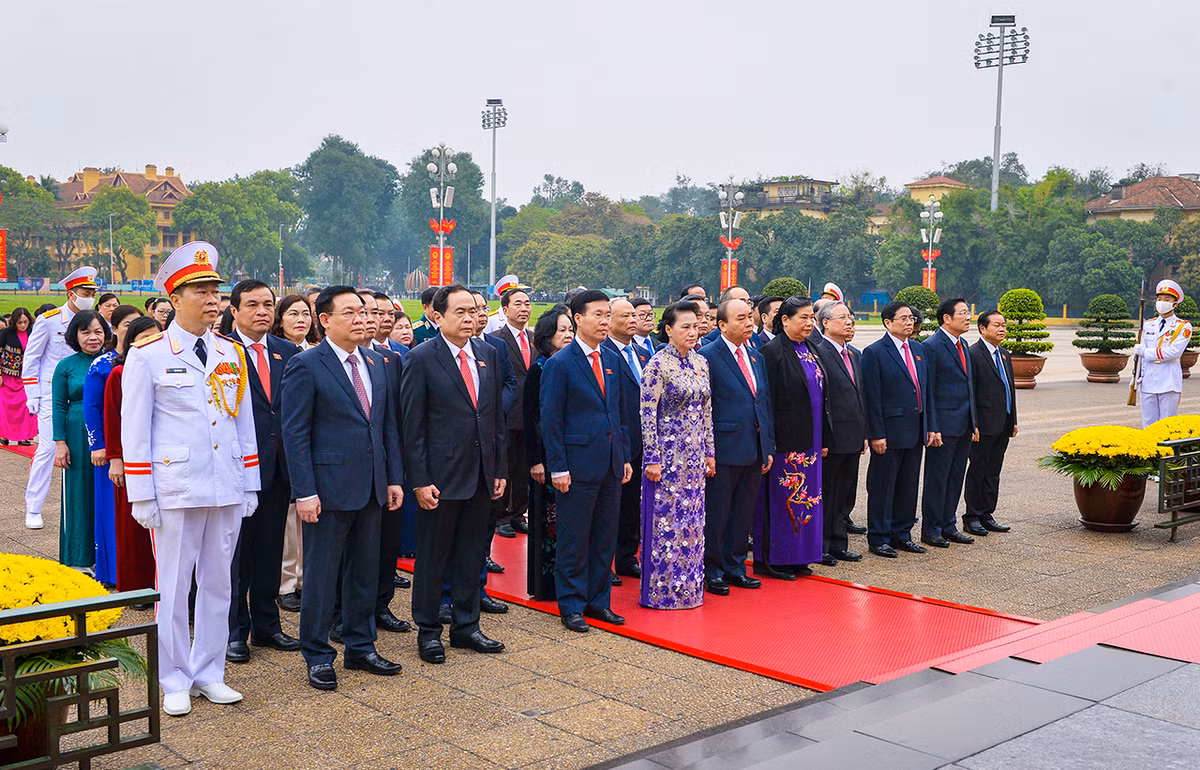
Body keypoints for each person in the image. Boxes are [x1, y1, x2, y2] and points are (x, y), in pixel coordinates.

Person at [122, 241, 261, 716]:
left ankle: (209, 671)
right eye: (200, 291)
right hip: (176, 487)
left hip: (225, 483)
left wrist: (250, 482)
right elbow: (135, 429)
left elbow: (243, 422)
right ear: (174, 298)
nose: (212, 300)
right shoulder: (149, 354)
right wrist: (142, 494)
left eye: (215, 291)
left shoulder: (229, 352)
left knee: (220, 583)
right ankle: (175, 676)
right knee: (175, 586)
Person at [282, 286, 405, 690]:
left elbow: (386, 426)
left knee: (365, 572)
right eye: (350, 312)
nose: (361, 319)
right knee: (322, 576)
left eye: (364, 312)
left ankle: (360, 645)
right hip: (328, 489)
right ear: (325, 319)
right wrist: (305, 491)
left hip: (371, 486)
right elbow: (295, 433)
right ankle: (317, 653)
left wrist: (393, 478)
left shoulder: (375, 362)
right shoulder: (307, 365)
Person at [401, 284, 507, 663]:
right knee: (433, 558)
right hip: (440, 478)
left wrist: (499, 469)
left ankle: (466, 626)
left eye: (474, 311)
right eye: (459, 312)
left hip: (480, 475)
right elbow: (412, 426)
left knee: (471, 554)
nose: (469, 318)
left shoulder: (488, 354)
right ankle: (429, 631)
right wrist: (419, 479)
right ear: (437, 316)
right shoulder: (421, 358)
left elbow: (494, 417)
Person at [541, 289, 632, 632]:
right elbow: (551, 420)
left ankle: (598, 601)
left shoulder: (611, 358)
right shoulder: (560, 363)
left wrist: (623, 455)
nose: (605, 321)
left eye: (608, 314)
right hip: (576, 466)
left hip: (610, 462)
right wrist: (558, 467)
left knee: (604, 537)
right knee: (574, 538)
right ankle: (572, 605)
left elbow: (619, 413)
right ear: (578, 318)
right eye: (598, 314)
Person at [224, 281, 303, 665]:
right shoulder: (221, 351)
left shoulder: (287, 352)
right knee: (238, 557)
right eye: (252, 304)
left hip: (279, 469)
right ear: (234, 311)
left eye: (268, 305)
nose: (262, 311)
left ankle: (268, 625)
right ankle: (235, 631)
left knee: (271, 551)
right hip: (238, 470)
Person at [639, 300, 714, 609]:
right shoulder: (657, 364)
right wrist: (652, 458)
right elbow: (647, 413)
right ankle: (663, 592)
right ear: (668, 329)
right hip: (668, 457)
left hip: (695, 459)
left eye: (695, 326)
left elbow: (707, 411)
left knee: (693, 522)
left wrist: (710, 451)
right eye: (685, 327)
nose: (692, 332)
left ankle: (691, 590)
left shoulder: (701, 362)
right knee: (667, 524)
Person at [698, 298, 774, 595]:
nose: (748, 323)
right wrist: (708, 451)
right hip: (724, 446)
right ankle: (713, 569)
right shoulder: (707, 356)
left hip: (753, 446)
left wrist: (767, 445)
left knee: (743, 512)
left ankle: (736, 566)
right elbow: (705, 407)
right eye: (740, 318)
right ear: (722, 325)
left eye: (749, 317)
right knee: (718, 513)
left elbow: (763, 403)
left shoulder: (755, 356)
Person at [22, 266, 99, 530]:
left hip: (83, 393)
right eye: (85, 292)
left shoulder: (94, 321)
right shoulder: (50, 320)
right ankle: (34, 506)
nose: (90, 297)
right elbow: (32, 358)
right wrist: (32, 393)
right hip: (50, 394)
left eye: (92, 293)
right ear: (71, 293)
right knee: (47, 448)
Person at [756, 298, 827, 579]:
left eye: (812, 318)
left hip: (811, 439)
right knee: (783, 497)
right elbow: (766, 401)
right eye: (803, 318)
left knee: (809, 498)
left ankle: (801, 555)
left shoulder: (811, 348)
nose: (810, 323)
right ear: (785, 320)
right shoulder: (772, 352)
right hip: (786, 441)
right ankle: (776, 559)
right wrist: (769, 441)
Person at [861, 302, 928, 559]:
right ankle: (879, 537)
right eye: (903, 319)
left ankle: (902, 533)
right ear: (887, 323)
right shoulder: (875, 352)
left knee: (908, 485)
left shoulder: (918, 350)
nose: (909, 323)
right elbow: (872, 396)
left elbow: (925, 391)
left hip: (915, 429)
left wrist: (929, 426)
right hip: (888, 432)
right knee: (883, 486)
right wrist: (876, 433)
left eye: (911, 318)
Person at [83, 305, 142, 586]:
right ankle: (113, 571)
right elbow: (92, 407)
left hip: (139, 448)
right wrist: (99, 445)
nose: (133, 330)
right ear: (115, 329)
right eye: (127, 324)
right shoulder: (103, 365)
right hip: (111, 450)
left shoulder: (145, 360)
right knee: (111, 512)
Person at [105, 316, 161, 597]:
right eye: (144, 338)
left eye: (155, 337)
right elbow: (113, 418)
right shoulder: (119, 373)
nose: (150, 343)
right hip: (132, 459)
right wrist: (116, 458)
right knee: (133, 526)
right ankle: (135, 586)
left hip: (163, 457)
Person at [269, 293, 317, 613]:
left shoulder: (318, 352)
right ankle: (286, 583)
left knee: (310, 519)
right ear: (280, 319)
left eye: (305, 314)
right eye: (293, 314)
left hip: (317, 443)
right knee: (288, 520)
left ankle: (305, 579)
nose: (301, 320)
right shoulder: (276, 353)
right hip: (286, 443)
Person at [54, 310, 111, 572]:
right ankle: (79, 558)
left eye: (98, 331)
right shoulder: (66, 366)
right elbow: (58, 405)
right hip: (77, 434)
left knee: (106, 493)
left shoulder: (113, 360)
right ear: (75, 335)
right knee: (79, 494)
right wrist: (60, 442)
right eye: (86, 332)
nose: (93, 337)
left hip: (109, 430)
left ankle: (107, 558)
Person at [525, 306, 575, 600]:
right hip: (545, 456)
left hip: (570, 453)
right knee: (546, 520)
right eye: (561, 330)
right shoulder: (540, 368)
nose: (568, 335)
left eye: (570, 329)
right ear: (547, 336)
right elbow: (531, 417)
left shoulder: (574, 365)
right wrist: (535, 460)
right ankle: (545, 585)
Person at [920, 298, 978, 549]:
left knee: (955, 478)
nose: (968, 317)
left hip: (963, 424)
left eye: (968, 312)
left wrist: (974, 422)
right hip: (942, 427)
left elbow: (968, 386)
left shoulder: (963, 344)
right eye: (963, 313)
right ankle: (931, 529)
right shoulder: (931, 346)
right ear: (946, 318)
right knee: (937, 479)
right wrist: (932, 426)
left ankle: (948, 525)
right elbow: (929, 390)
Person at [603, 298, 652, 580]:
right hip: (617, 439)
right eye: (626, 316)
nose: (633, 320)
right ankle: (606, 562)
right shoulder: (605, 353)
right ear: (609, 321)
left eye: (635, 315)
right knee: (614, 506)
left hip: (643, 440)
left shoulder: (643, 354)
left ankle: (626, 556)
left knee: (634, 503)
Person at [813, 301, 866, 563]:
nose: (849, 322)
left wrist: (864, 433)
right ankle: (821, 546)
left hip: (853, 436)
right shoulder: (818, 352)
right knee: (828, 493)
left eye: (850, 318)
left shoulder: (853, 354)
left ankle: (838, 544)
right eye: (842, 318)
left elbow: (860, 395)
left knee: (845, 494)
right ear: (825, 323)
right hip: (832, 438)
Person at [964, 310, 1016, 537]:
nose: (1002, 329)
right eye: (996, 325)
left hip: (1002, 423)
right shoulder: (973, 354)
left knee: (994, 470)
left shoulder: (1004, 354)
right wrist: (973, 423)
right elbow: (970, 392)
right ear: (982, 328)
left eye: (1003, 325)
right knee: (978, 469)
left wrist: (1013, 419)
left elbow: (1009, 389)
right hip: (983, 425)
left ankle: (987, 514)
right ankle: (972, 516)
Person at [489, 287, 534, 538]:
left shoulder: (536, 337)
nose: (524, 308)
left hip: (530, 415)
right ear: (505, 310)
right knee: (505, 467)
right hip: (507, 413)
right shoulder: (496, 340)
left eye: (527, 303)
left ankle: (518, 513)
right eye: (518, 304)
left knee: (524, 469)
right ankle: (502, 516)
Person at [1135, 279, 1192, 427]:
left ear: (1175, 304)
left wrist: (1146, 352)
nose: (1162, 302)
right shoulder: (1148, 324)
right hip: (1148, 381)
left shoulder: (1183, 327)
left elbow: (1173, 353)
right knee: (1148, 424)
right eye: (1159, 299)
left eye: (1167, 300)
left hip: (1169, 381)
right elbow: (1140, 357)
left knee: (1167, 425)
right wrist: (1136, 376)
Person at [0, 307, 37, 446]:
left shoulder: (33, 333)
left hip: (26, 376)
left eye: (25, 322)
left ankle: (24, 436)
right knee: (6, 407)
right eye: (19, 322)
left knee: (25, 406)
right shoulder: (6, 333)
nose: (22, 325)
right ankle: (4, 434)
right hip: (8, 376)